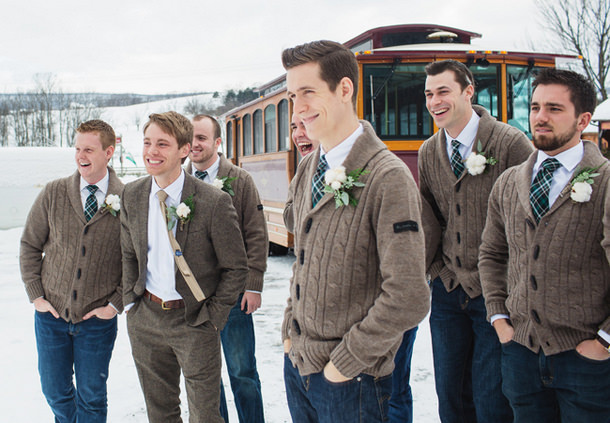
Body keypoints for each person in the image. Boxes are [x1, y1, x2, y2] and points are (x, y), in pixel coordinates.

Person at [281, 39, 430, 423]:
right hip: (300, 368)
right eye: (292, 96)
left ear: (344, 89)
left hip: (352, 382)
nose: (298, 109)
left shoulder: (389, 177)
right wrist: (288, 333)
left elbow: (409, 295)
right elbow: (304, 261)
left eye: (308, 93)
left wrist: (344, 365)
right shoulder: (307, 169)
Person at [479, 68, 610, 422]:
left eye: (554, 109)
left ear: (583, 119)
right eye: (535, 107)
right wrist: (499, 318)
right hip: (520, 354)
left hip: (585, 361)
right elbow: (492, 254)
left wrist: (604, 341)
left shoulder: (607, 182)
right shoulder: (509, 182)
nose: (540, 117)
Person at [419, 59, 533, 423]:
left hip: (496, 293)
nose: (435, 101)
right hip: (448, 291)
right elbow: (431, 217)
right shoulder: (427, 152)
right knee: (450, 397)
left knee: (491, 399)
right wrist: (436, 270)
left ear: (468, 92)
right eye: (428, 94)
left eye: (443, 92)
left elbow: (531, 214)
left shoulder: (510, 142)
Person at [120, 111, 248, 423]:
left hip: (194, 321)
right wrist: (130, 301)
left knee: (205, 416)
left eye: (162, 144)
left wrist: (213, 317)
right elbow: (128, 253)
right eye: (148, 142)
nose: (152, 151)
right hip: (146, 320)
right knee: (160, 414)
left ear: (184, 150)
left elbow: (236, 267)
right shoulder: (131, 194)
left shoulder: (213, 201)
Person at [20, 119, 123, 423]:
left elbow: (135, 262)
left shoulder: (127, 198)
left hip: (97, 322)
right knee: (54, 390)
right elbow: (29, 245)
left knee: (92, 396)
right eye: (77, 148)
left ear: (109, 151)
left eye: (89, 149)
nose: (81, 155)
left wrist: (114, 304)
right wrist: (36, 296)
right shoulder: (54, 193)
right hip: (51, 317)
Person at [185, 114, 268, 423]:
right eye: (190, 137)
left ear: (217, 143)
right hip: (194, 298)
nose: (194, 144)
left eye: (202, 138)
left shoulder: (239, 180)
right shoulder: (179, 180)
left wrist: (253, 283)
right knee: (206, 377)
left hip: (233, 296)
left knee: (242, 371)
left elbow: (256, 234)